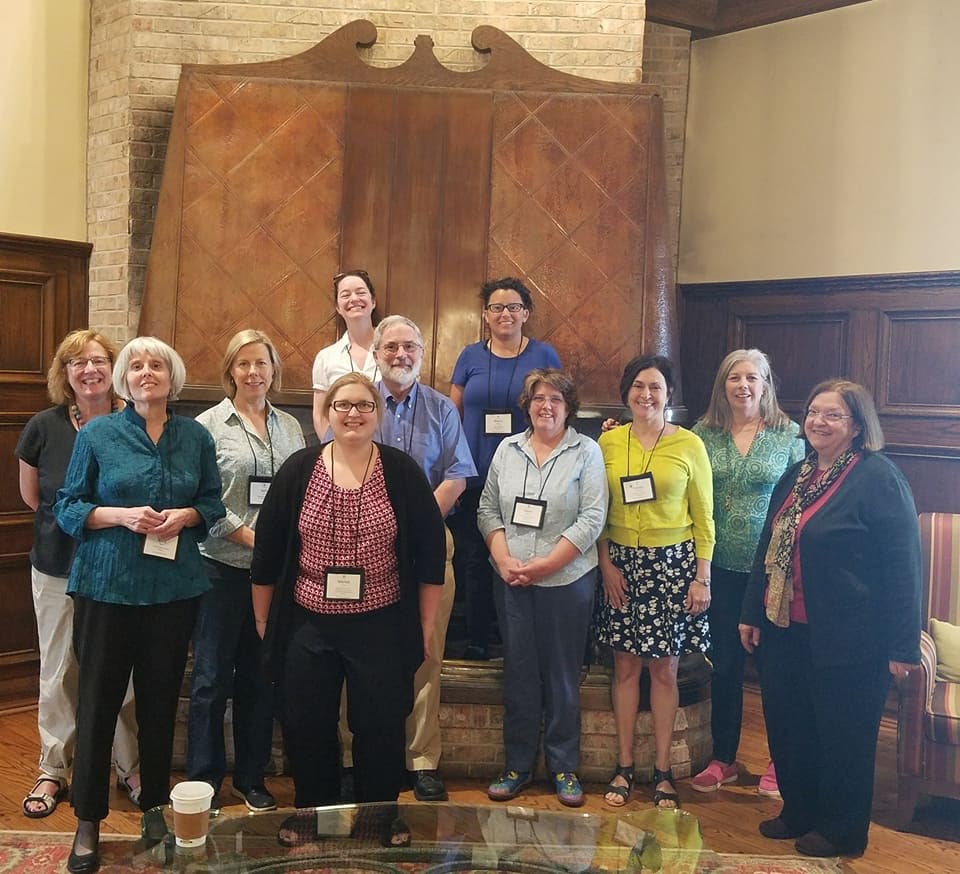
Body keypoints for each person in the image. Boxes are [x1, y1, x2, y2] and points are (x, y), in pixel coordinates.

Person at [250, 373, 445, 843]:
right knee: (307, 722)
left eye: (363, 405)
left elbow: (430, 552)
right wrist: (263, 622)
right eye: (343, 405)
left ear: (377, 414)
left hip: (380, 623)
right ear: (328, 412)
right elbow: (268, 552)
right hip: (308, 624)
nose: (353, 413)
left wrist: (425, 624)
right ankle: (311, 812)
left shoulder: (401, 471)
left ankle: (379, 815)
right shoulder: (299, 469)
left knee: (379, 724)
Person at [54, 337, 225, 874]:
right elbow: (69, 507)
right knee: (98, 702)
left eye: (156, 365)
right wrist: (121, 516)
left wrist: (186, 518)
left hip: (172, 589)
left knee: (157, 704)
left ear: (171, 377)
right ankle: (88, 820)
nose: (146, 373)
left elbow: (212, 502)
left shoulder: (194, 436)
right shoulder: (99, 432)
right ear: (125, 379)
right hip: (107, 586)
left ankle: (155, 808)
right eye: (137, 366)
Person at [739, 379, 921, 858]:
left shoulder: (878, 477)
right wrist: (752, 611)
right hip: (785, 629)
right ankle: (798, 811)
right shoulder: (797, 474)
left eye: (833, 415)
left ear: (857, 426)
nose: (818, 421)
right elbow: (767, 544)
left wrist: (903, 647)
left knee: (843, 736)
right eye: (814, 411)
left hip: (852, 638)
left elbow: (903, 564)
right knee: (790, 726)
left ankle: (842, 830)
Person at [337, 316, 476, 803]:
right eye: (392, 345)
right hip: (358, 545)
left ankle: (421, 760)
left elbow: (457, 475)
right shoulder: (357, 404)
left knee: (425, 652)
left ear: (422, 352)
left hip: (427, 543)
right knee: (354, 652)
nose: (401, 354)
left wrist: (414, 519)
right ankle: (356, 756)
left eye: (410, 346)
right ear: (375, 352)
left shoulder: (441, 408)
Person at [15, 330, 140, 820]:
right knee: (59, 668)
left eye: (98, 360)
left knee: (121, 670)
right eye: (76, 362)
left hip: (120, 569)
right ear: (64, 374)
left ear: (115, 367)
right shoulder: (43, 426)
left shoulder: (134, 422)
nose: (89, 369)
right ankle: (54, 767)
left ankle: (130, 766)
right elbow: (34, 497)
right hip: (56, 564)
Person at [187, 330, 305, 811]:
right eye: (243, 364)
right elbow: (203, 499)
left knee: (261, 677)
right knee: (211, 679)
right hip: (220, 570)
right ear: (230, 371)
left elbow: (299, 491)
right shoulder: (208, 425)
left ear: (274, 370)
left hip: (273, 578)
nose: (253, 372)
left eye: (261, 363)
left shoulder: (291, 428)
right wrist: (258, 541)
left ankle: (251, 777)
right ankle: (204, 779)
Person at [478, 369, 607, 807]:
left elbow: (592, 519)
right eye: (538, 398)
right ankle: (517, 765)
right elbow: (487, 509)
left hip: (567, 581)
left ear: (569, 406)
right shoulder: (506, 450)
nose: (546, 405)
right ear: (527, 405)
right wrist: (504, 559)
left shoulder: (586, 451)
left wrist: (546, 565)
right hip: (511, 579)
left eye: (555, 398)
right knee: (518, 672)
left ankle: (564, 766)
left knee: (562, 676)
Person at [596, 354, 714, 810]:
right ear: (627, 393)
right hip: (621, 564)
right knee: (624, 667)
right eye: (639, 386)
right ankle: (624, 766)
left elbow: (704, 518)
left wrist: (702, 578)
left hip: (673, 565)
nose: (647, 395)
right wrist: (606, 565)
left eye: (656, 388)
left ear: (669, 395)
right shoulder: (607, 444)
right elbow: (598, 509)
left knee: (664, 669)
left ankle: (663, 771)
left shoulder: (689, 445)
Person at [690, 350, 804, 798]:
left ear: (766, 384)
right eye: (734, 377)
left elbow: (800, 504)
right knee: (726, 668)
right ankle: (725, 758)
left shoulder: (789, 436)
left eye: (752, 378)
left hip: (771, 573)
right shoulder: (704, 434)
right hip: (717, 569)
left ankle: (781, 761)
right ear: (723, 385)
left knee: (776, 670)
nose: (743, 385)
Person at [448, 277, 561, 660]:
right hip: (475, 473)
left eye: (514, 307)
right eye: (497, 307)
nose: (505, 314)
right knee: (475, 559)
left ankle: (518, 641)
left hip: (528, 476)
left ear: (526, 313)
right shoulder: (469, 356)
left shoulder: (544, 355)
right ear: (485, 315)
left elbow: (557, 409)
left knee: (522, 552)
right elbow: (454, 413)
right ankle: (479, 638)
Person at [311, 269, 380, 438]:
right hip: (343, 453)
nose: (354, 299)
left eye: (361, 292)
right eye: (345, 294)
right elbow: (320, 415)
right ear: (338, 307)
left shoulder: (394, 352)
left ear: (373, 301)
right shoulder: (326, 358)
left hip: (388, 450)